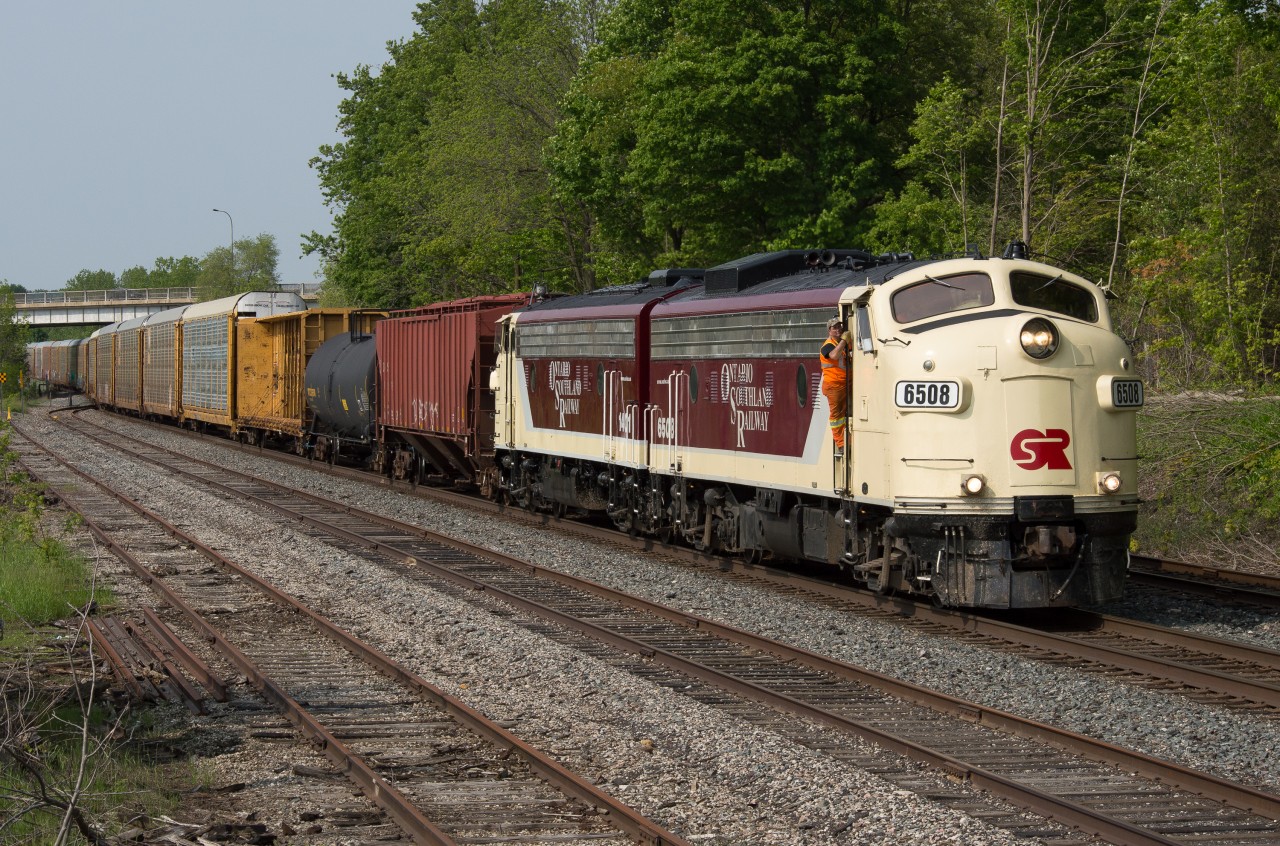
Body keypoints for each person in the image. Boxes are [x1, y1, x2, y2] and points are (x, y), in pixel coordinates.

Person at [820, 317, 850, 457]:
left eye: (839, 327)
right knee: (836, 416)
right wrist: (844, 340)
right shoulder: (828, 345)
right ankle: (840, 444)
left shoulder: (842, 344)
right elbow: (834, 355)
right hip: (833, 386)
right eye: (834, 328)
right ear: (829, 331)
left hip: (844, 383)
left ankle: (847, 440)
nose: (838, 330)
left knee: (845, 414)